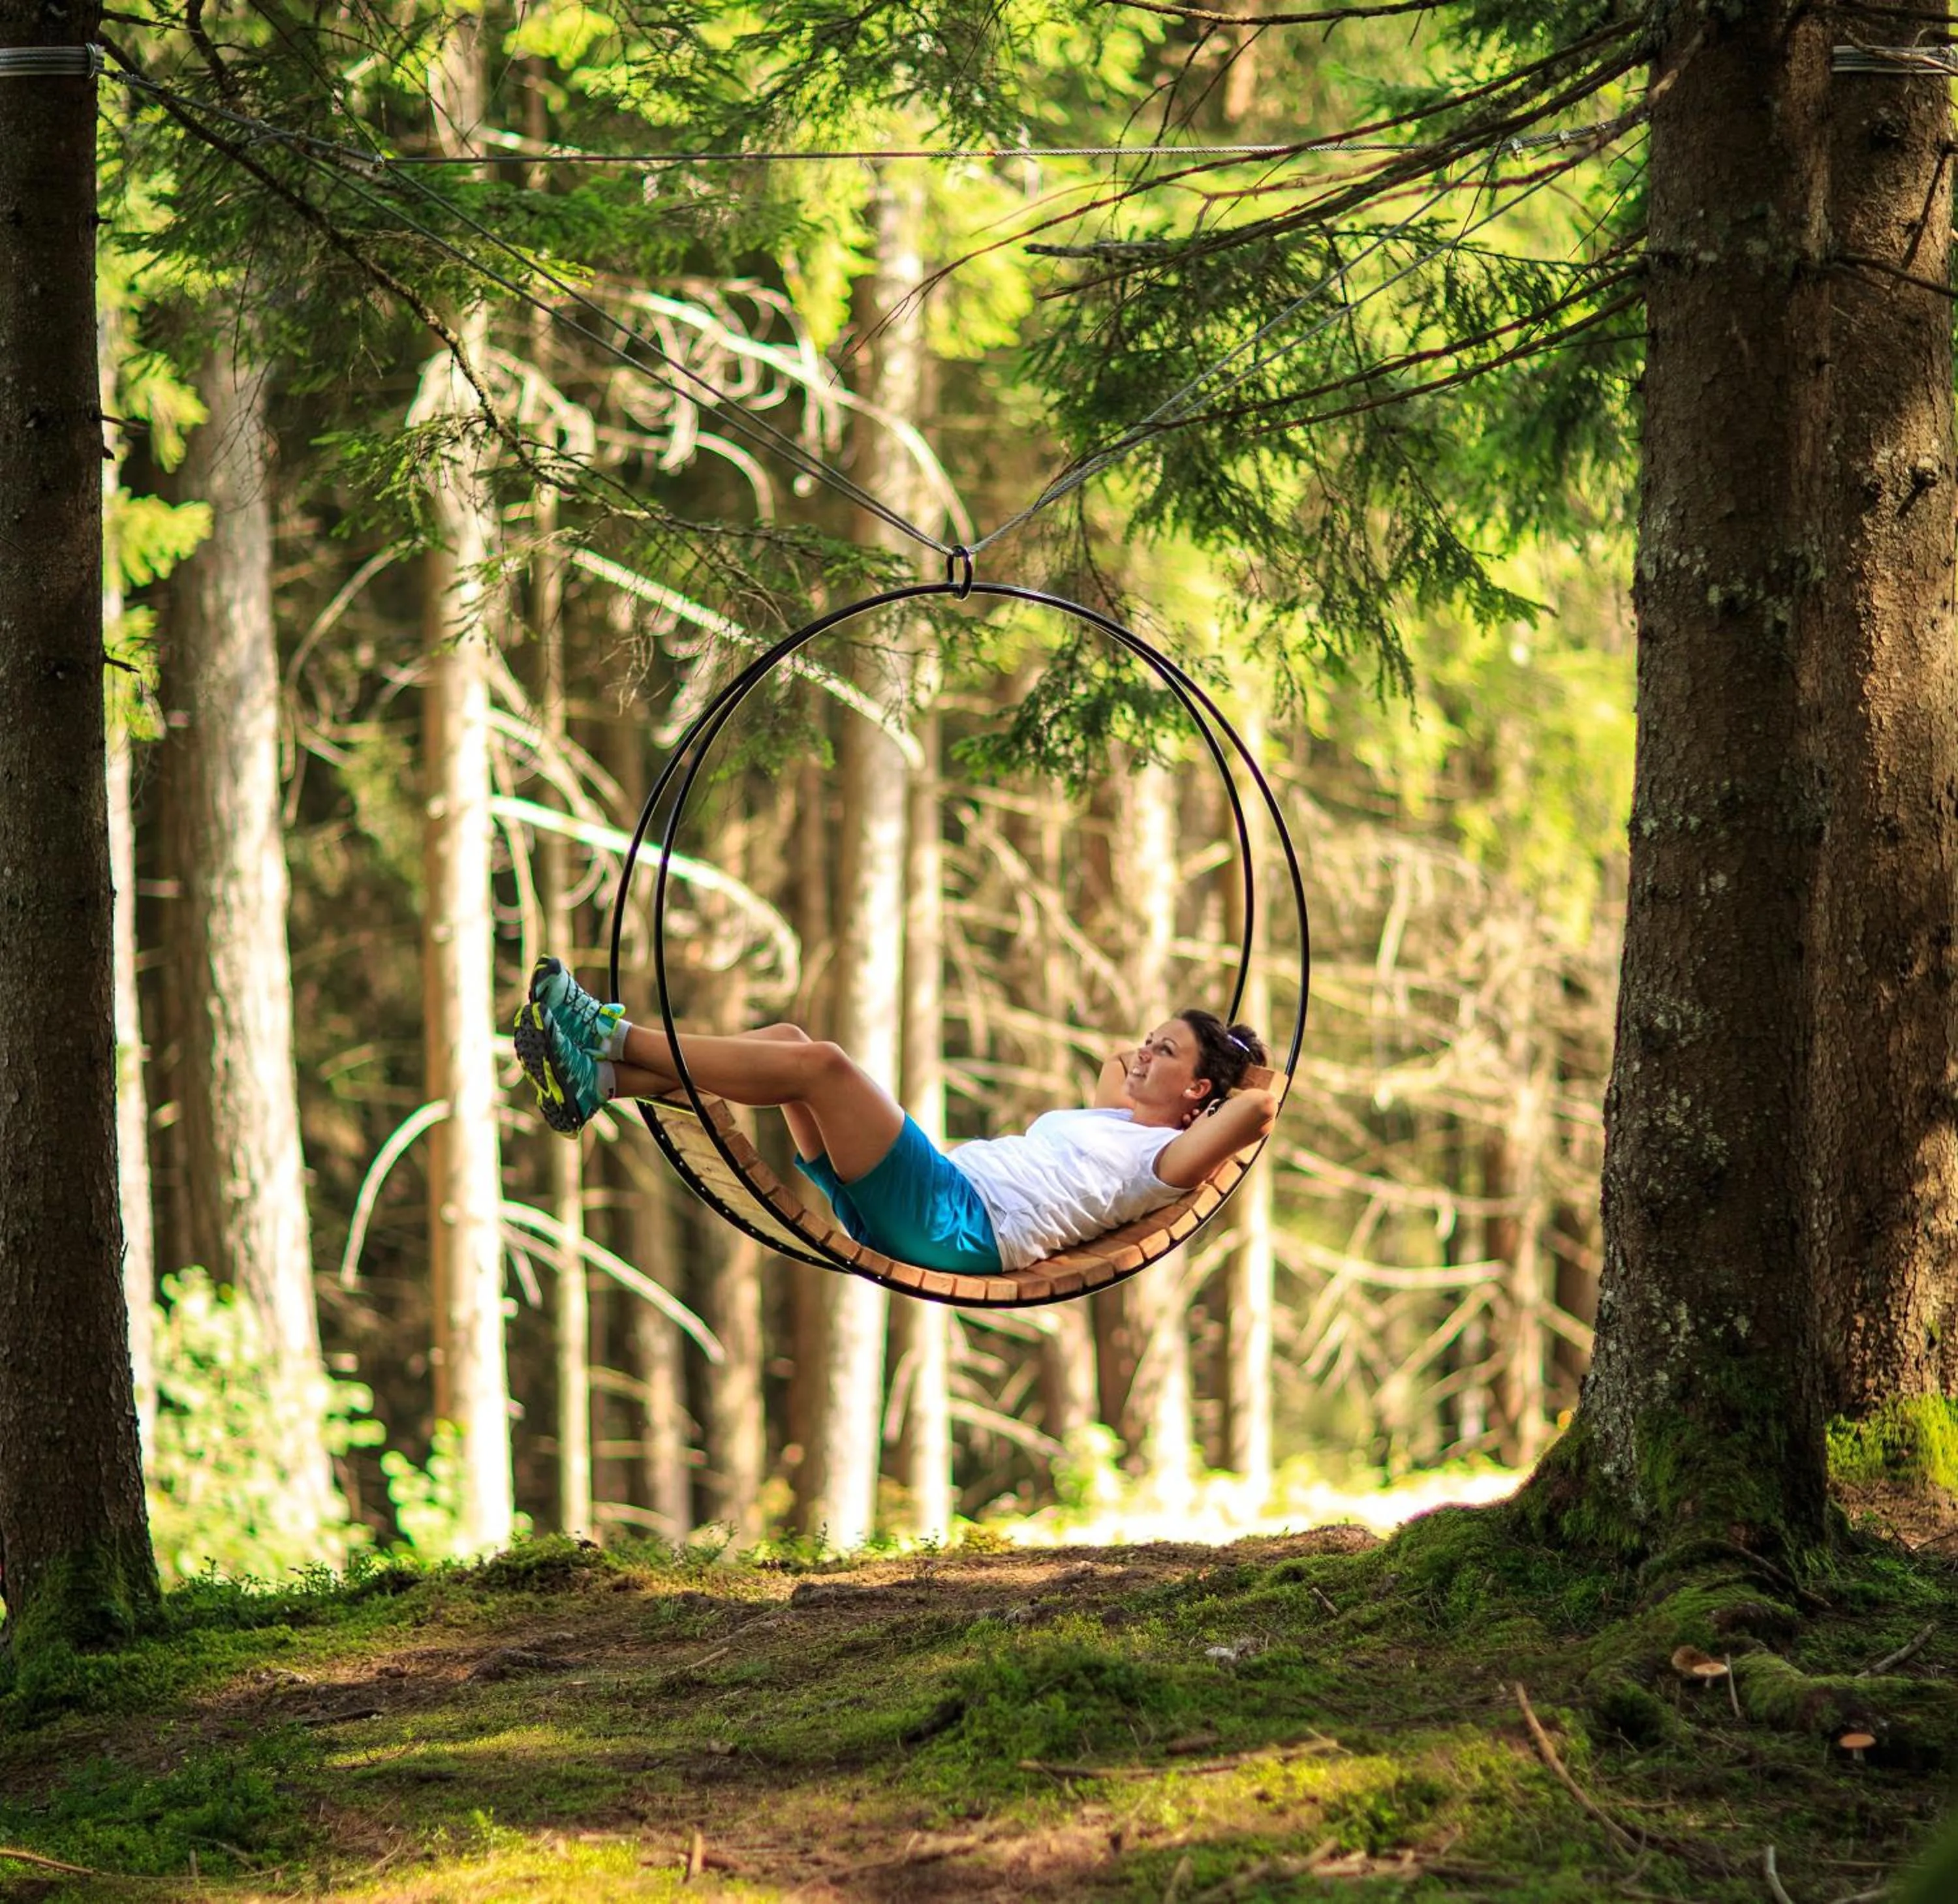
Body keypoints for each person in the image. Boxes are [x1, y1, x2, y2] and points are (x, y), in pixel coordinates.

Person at [514, 957, 1277, 1275]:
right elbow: (1118, 1061)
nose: (1140, 1053)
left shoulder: (1164, 1163)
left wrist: (1233, 1064)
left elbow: (1258, 1106)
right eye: (1149, 1041)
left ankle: (608, 1029)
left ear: (1199, 1095)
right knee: (789, 1044)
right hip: (928, 1205)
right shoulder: (1121, 1124)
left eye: (1163, 1050)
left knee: (826, 1066)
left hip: (959, 1218)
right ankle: (601, 1080)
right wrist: (1165, 1055)